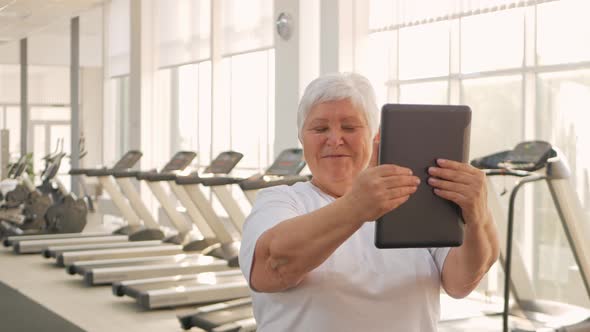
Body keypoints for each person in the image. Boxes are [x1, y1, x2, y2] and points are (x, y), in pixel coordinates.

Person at [239, 72, 499, 331]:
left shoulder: (414, 203)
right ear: (302, 139)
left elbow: (461, 283)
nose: (334, 139)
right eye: (320, 128)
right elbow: (271, 267)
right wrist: (356, 206)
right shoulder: (280, 201)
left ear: (375, 138)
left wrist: (478, 216)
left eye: (350, 127)